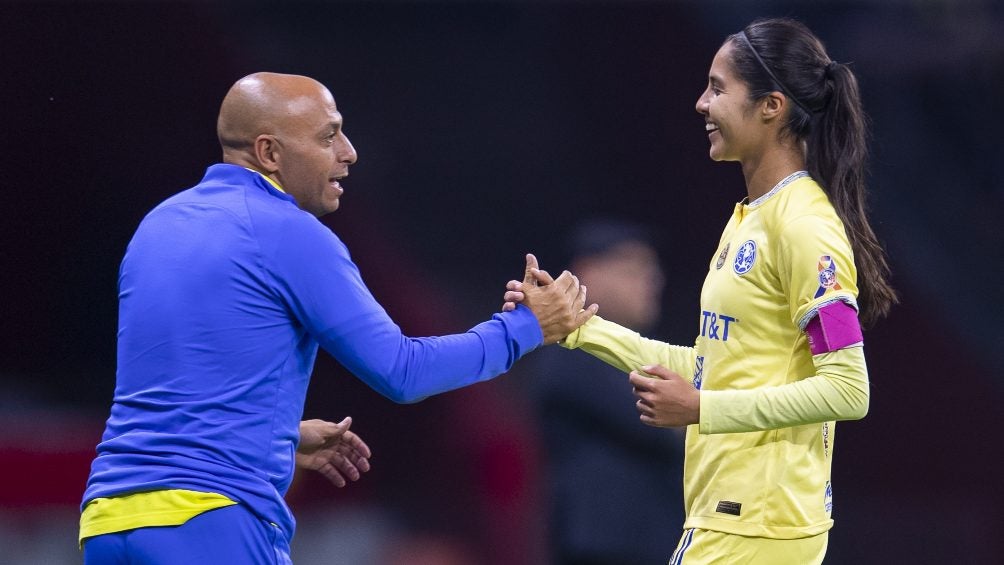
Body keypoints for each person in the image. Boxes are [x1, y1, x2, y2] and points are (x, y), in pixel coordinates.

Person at [78, 72, 596, 564]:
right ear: (269, 153)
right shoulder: (288, 233)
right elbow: (403, 371)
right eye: (329, 137)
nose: (349, 153)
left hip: (108, 520)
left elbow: (172, 381)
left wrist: (278, 432)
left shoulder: (158, 224)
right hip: (210, 520)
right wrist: (525, 328)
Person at [506, 18, 897, 565]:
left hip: (762, 525)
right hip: (725, 515)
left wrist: (702, 408)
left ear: (771, 105)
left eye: (718, 88)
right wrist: (579, 329)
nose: (700, 103)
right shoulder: (747, 221)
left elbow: (848, 389)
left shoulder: (804, 226)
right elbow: (711, 367)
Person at [528, 220, 685, 565]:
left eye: (653, 270)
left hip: (660, 545)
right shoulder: (571, 351)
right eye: (633, 269)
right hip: (603, 548)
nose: (651, 280)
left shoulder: (649, 353)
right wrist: (726, 410)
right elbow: (667, 422)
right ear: (587, 273)